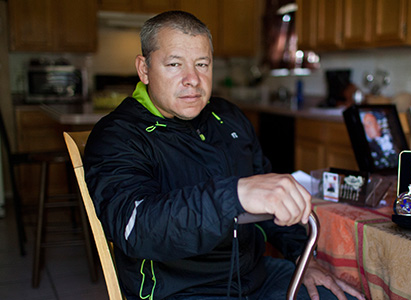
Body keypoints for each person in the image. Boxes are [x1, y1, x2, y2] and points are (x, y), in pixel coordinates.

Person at [84, 10, 365, 300]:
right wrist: (235, 194)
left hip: (256, 276)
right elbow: (135, 228)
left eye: (202, 64)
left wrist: (303, 259)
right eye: (174, 64)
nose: (192, 79)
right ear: (144, 69)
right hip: (180, 290)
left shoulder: (229, 117)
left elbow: (270, 203)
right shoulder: (118, 134)